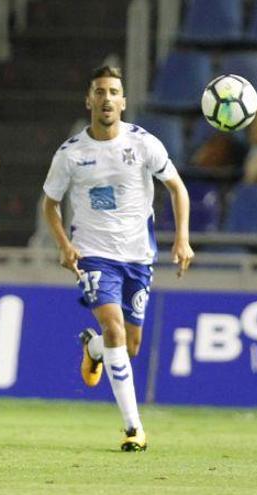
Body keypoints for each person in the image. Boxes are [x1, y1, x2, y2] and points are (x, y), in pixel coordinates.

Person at [42, 65, 194, 452]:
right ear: (89, 100)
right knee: (115, 329)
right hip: (94, 255)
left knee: (130, 345)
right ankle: (134, 429)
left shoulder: (144, 144)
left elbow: (177, 188)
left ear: (123, 101)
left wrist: (182, 239)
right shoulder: (71, 154)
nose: (107, 98)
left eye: (113, 92)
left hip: (138, 257)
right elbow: (51, 205)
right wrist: (63, 244)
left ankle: (92, 350)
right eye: (100, 91)